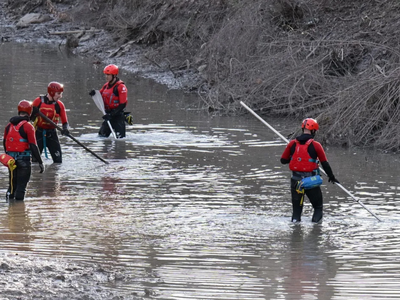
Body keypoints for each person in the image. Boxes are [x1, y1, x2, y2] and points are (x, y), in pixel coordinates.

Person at [280, 118, 339, 223]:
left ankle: (295, 230)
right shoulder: (316, 145)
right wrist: (332, 177)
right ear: (313, 131)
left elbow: (283, 160)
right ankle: (316, 231)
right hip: (311, 181)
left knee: (296, 211)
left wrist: (294, 156)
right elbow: (325, 164)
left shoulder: (292, 144)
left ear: (303, 129)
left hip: (295, 181)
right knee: (318, 207)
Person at [3, 100, 45, 201]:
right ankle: (18, 212)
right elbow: (33, 146)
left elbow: (5, 143)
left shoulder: (8, 126)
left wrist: (8, 157)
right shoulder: (28, 126)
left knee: (11, 187)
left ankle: (9, 207)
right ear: (30, 112)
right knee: (21, 189)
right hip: (24, 162)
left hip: (11, 161)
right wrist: (40, 162)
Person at [31, 81, 69, 163]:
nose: (60, 96)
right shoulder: (38, 101)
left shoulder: (59, 105)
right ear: (52, 92)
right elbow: (29, 118)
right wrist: (33, 112)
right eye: (58, 93)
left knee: (58, 162)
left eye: (61, 93)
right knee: (34, 162)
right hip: (39, 133)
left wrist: (65, 129)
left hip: (52, 134)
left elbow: (65, 121)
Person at [89, 64, 128, 138]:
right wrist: (94, 93)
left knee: (120, 139)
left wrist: (112, 114)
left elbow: (123, 104)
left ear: (114, 75)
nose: (106, 77)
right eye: (106, 75)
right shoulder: (106, 86)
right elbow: (99, 96)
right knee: (101, 136)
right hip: (108, 115)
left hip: (118, 116)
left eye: (108, 75)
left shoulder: (121, 87)